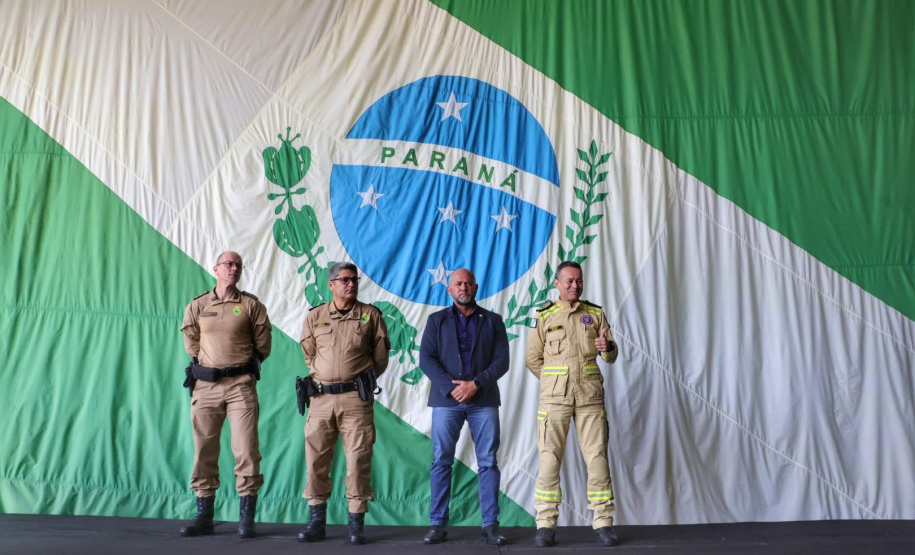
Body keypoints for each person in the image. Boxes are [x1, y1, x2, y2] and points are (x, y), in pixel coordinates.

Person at [525, 261, 620, 548]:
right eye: (568, 281)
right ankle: (545, 525)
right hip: (554, 400)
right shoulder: (544, 316)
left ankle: (603, 523)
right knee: (549, 460)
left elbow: (611, 356)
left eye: (578, 280)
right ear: (557, 284)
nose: (574, 286)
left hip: (590, 397)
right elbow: (533, 359)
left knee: (597, 458)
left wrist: (608, 348)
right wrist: (555, 381)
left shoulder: (595, 314)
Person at [179, 251, 272, 539]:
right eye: (229, 264)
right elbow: (191, 342)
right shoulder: (198, 305)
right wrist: (209, 365)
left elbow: (263, 346)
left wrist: (237, 365)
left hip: (240, 385)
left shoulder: (251, 305)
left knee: (246, 449)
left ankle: (246, 519)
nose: (234, 268)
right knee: (204, 450)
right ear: (216, 268)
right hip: (206, 386)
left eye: (238, 265)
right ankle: (204, 516)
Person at [298, 262, 390, 545]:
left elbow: (380, 359)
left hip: (355, 399)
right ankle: (316, 523)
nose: (351, 284)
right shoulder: (315, 316)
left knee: (358, 461)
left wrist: (357, 379)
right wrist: (324, 376)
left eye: (354, 280)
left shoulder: (370, 316)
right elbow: (309, 353)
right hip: (320, 399)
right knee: (316, 460)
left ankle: (356, 524)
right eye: (345, 280)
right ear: (331, 285)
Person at [419, 268, 511, 546]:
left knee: (488, 462)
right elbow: (426, 359)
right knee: (441, 461)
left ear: (476, 287)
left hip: (483, 400)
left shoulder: (493, 320)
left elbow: (502, 361)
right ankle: (437, 524)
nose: (463, 287)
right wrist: (453, 388)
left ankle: (490, 525)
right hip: (446, 401)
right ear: (449, 289)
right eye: (458, 283)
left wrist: (476, 384)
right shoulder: (436, 321)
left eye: (468, 283)